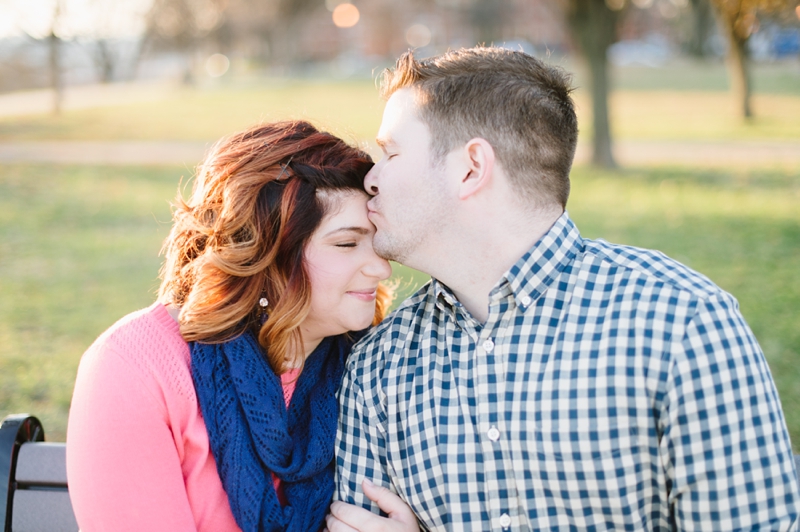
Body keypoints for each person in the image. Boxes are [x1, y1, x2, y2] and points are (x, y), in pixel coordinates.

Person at [329, 47, 800, 531]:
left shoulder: (681, 324)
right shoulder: (378, 367)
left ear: (470, 167)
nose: (370, 179)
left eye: (391, 153)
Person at [66, 120, 394, 532]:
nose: (381, 267)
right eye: (347, 243)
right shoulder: (136, 367)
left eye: (376, 241)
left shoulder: (376, 368)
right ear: (263, 252)